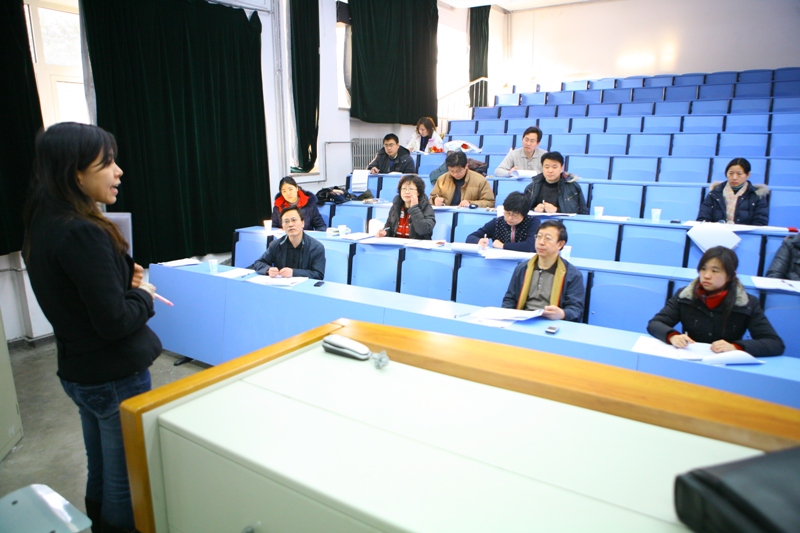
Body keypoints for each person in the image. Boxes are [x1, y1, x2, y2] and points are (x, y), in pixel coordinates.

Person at [23, 122, 162, 532]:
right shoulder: (83, 231)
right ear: (76, 172)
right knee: (126, 482)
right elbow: (114, 322)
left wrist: (120, 281)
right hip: (114, 374)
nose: (119, 171)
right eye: (107, 163)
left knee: (100, 466)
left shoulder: (45, 221)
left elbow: (74, 297)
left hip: (80, 371)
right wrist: (144, 295)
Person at [647, 246, 784, 357]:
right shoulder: (685, 296)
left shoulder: (747, 303)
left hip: (726, 362)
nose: (707, 276)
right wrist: (673, 336)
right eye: (703, 269)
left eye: (715, 271)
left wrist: (735, 347)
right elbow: (655, 323)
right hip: (690, 357)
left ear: (730, 276)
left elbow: (774, 343)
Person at [502, 219, 585, 321]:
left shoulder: (572, 274)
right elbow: (509, 300)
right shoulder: (522, 268)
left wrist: (562, 314)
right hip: (523, 320)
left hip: (552, 321)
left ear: (560, 244)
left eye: (548, 238)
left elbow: (576, 310)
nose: (541, 242)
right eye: (539, 237)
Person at [249, 206, 326, 279]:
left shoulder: (316, 247)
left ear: (302, 223)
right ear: (282, 226)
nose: (290, 224)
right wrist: (268, 270)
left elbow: (318, 274)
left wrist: (293, 272)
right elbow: (259, 263)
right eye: (286, 221)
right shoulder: (276, 245)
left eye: (294, 220)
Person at [696, 158, 769, 226]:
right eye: (731, 173)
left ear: (748, 175)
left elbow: (760, 221)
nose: (734, 177)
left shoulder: (757, 195)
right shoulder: (714, 193)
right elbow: (703, 218)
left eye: (739, 174)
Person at [466, 191, 540, 252]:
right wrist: (478, 241)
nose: (510, 218)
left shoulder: (532, 222)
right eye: (507, 213)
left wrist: (503, 246)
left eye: (514, 215)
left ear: (524, 214)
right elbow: (470, 237)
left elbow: (531, 245)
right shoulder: (497, 222)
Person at [524, 152, 588, 214]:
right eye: (547, 167)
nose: (550, 170)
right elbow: (522, 209)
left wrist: (557, 210)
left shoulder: (573, 187)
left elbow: (582, 211)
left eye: (554, 167)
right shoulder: (532, 187)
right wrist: (534, 209)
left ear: (562, 168)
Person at [376, 174, 436, 240]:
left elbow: (424, 231)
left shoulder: (426, 207)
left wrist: (414, 208)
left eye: (411, 189)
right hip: (397, 244)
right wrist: (385, 232)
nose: (407, 192)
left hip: (416, 245)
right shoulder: (396, 206)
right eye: (404, 189)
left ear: (418, 192)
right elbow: (389, 227)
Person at [430, 150, 495, 207]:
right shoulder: (442, 179)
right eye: (452, 171)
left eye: (459, 171)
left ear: (466, 166)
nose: (455, 174)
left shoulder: (480, 180)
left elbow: (490, 202)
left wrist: (470, 203)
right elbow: (432, 197)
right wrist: (435, 200)